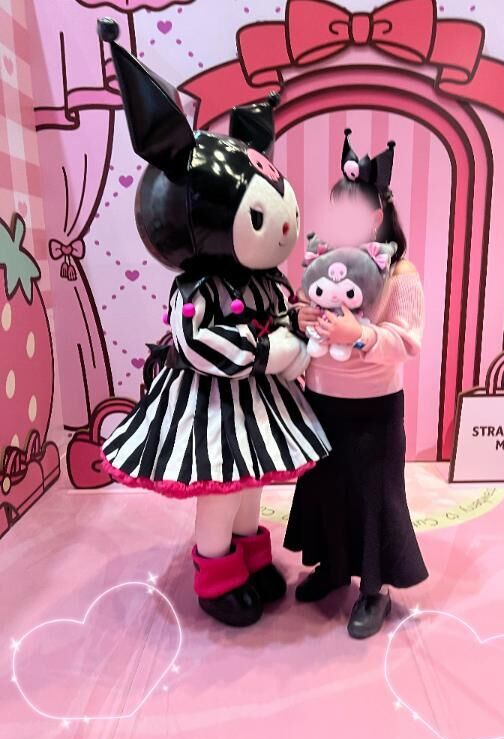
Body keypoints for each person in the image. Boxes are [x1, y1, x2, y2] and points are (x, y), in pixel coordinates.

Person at [97, 19, 329, 628]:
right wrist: (269, 352)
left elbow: (286, 313)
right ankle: (217, 575)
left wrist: (300, 338)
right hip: (211, 406)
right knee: (221, 486)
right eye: (263, 217)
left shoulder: (264, 280)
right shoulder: (198, 288)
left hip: (258, 402)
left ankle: (251, 558)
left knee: (253, 483)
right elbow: (199, 341)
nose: (283, 230)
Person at [284, 129, 429, 640]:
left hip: (375, 408)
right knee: (327, 488)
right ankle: (331, 567)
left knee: (373, 497)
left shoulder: (400, 273)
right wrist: (302, 318)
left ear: (375, 216)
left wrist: (360, 335)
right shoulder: (325, 262)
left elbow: (407, 341)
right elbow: (309, 313)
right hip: (322, 401)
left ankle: (374, 590)